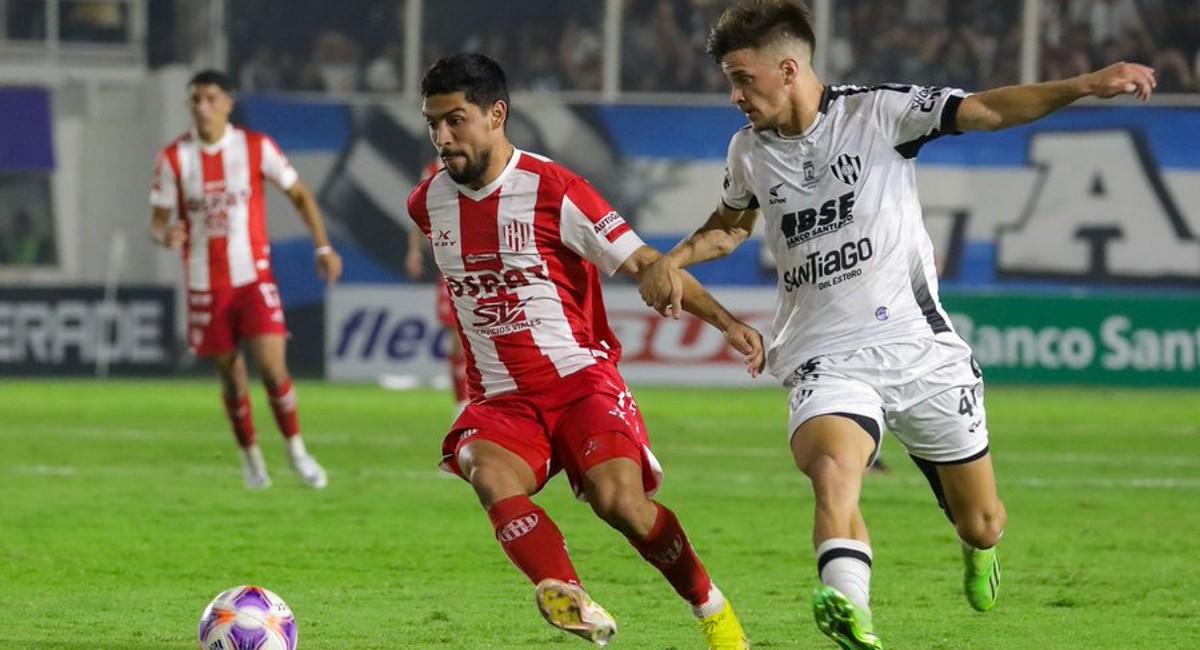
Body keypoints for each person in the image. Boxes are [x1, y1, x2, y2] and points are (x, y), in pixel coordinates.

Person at [638, 2, 1157, 648]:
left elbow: (986, 110)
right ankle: (850, 608)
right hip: (825, 355)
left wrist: (1082, 85)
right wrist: (675, 259)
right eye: (730, 82)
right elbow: (730, 225)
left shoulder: (879, 113)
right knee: (833, 470)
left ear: (789, 69)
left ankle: (979, 549)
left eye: (743, 79)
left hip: (919, 351)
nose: (735, 96)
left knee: (982, 521)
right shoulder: (748, 150)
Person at [408, 53, 762, 649]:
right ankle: (566, 592)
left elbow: (647, 262)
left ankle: (713, 611)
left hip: (579, 382)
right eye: (432, 124)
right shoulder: (427, 203)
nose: (442, 138)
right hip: (501, 399)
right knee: (485, 469)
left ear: (497, 115)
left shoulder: (556, 190)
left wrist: (725, 322)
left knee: (620, 503)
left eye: (455, 120)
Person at [149, 69, 343, 490]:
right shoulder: (174, 158)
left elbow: (300, 194)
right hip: (205, 283)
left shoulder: (255, 147)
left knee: (273, 369)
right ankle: (252, 458)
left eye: (210, 98)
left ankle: (297, 451)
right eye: (195, 99)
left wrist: (323, 247)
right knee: (232, 377)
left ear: (227, 103)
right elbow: (157, 223)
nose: (202, 107)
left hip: (253, 278)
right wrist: (167, 236)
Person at [405, 158, 469, 411]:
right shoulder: (433, 170)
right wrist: (414, 250)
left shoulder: (481, 162)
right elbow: (419, 215)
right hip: (451, 267)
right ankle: (461, 403)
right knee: (456, 335)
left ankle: (484, 398)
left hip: (484, 262)